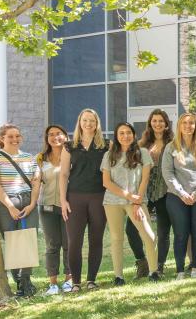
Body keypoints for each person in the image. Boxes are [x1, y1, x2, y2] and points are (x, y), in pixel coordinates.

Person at [101, 122, 162, 284]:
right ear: (117, 136)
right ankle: (118, 276)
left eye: (128, 132)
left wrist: (137, 202)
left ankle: (153, 271)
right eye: (121, 133)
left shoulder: (142, 153)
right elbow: (106, 182)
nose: (125, 136)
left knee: (149, 235)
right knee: (116, 238)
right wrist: (128, 195)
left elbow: (145, 178)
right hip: (112, 201)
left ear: (134, 135)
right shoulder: (109, 155)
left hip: (137, 201)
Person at [0, 124, 41, 297]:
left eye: (18, 136)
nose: (15, 139)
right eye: (10, 136)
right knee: (13, 242)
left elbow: (36, 182)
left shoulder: (29, 157)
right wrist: (10, 207)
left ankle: (26, 281)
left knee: (28, 240)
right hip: (6, 203)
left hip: (28, 200)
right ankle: (19, 283)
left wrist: (33, 203)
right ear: (2, 138)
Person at [59, 108, 108, 291]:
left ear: (97, 124)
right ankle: (76, 282)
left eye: (92, 121)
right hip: (75, 198)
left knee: (96, 239)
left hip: (99, 197)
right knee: (74, 241)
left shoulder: (106, 145)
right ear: (80, 122)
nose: (88, 124)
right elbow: (63, 174)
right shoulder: (69, 146)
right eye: (85, 120)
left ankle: (91, 280)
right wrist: (63, 201)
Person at [164, 112, 196, 278]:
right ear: (179, 125)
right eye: (184, 123)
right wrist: (182, 193)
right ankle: (180, 270)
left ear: (195, 126)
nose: (188, 126)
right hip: (176, 197)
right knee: (181, 233)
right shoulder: (171, 147)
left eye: (191, 123)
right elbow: (168, 173)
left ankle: (195, 267)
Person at [35, 125, 71, 295]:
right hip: (47, 206)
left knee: (69, 244)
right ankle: (53, 284)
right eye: (51, 134)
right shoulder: (41, 158)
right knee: (52, 245)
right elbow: (35, 182)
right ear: (46, 138)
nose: (55, 137)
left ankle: (69, 280)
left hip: (69, 206)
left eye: (58, 134)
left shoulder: (73, 155)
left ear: (65, 136)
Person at [139, 109, 173, 277]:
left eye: (161, 121)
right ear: (150, 123)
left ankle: (159, 265)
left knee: (163, 231)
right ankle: (142, 261)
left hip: (166, 191)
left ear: (166, 124)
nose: (158, 124)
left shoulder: (173, 143)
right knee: (133, 229)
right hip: (144, 191)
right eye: (154, 121)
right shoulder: (142, 144)